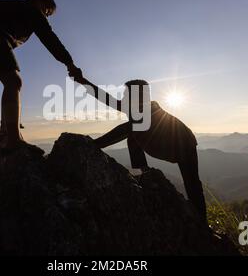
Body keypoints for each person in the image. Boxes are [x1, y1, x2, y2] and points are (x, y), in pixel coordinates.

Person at [76, 76, 207, 221]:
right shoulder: (134, 107)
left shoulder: (149, 110)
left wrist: (94, 144)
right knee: (133, 135)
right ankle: (144, 170)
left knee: (192, 183)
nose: (124, 97)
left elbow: (123, 129)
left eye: (126, 94)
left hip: (184, 144)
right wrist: (83, 82)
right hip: (168, 144)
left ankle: (202, 221)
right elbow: (107, 99)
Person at [0, 0, 82, 149]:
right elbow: (50, 39)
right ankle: (13, 140)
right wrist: (70, 63)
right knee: (13, 82)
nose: (46, 16)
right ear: (40, 1)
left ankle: (5, 129)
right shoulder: (32, 10)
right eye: (47, 12)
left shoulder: (16, 7)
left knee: (10, 82)